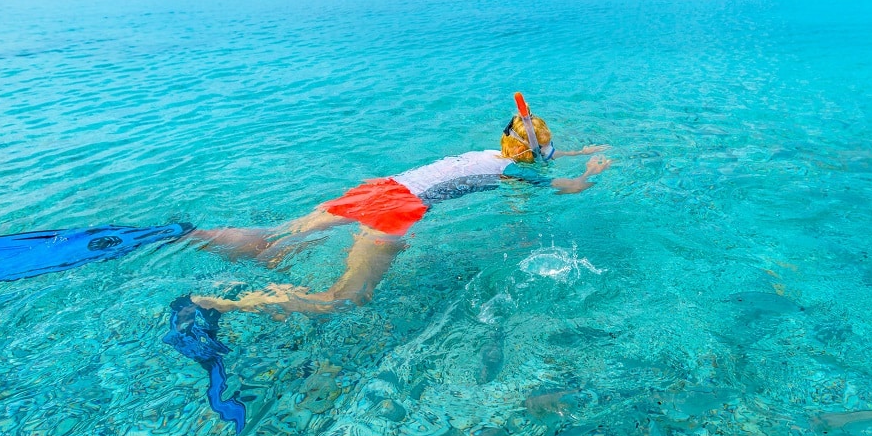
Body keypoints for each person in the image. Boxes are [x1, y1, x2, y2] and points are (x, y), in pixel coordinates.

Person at [189, 94, 610, 318]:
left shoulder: (488, 155)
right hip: (398, 209)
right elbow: (566, 186)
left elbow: (534, 155)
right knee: (346, 298)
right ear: (533, 154)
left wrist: (574, 152)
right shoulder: (514, 173)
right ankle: (224, 302)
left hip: (378, 188)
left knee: (272, 240)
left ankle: (189, 237)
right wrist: (591, 170)